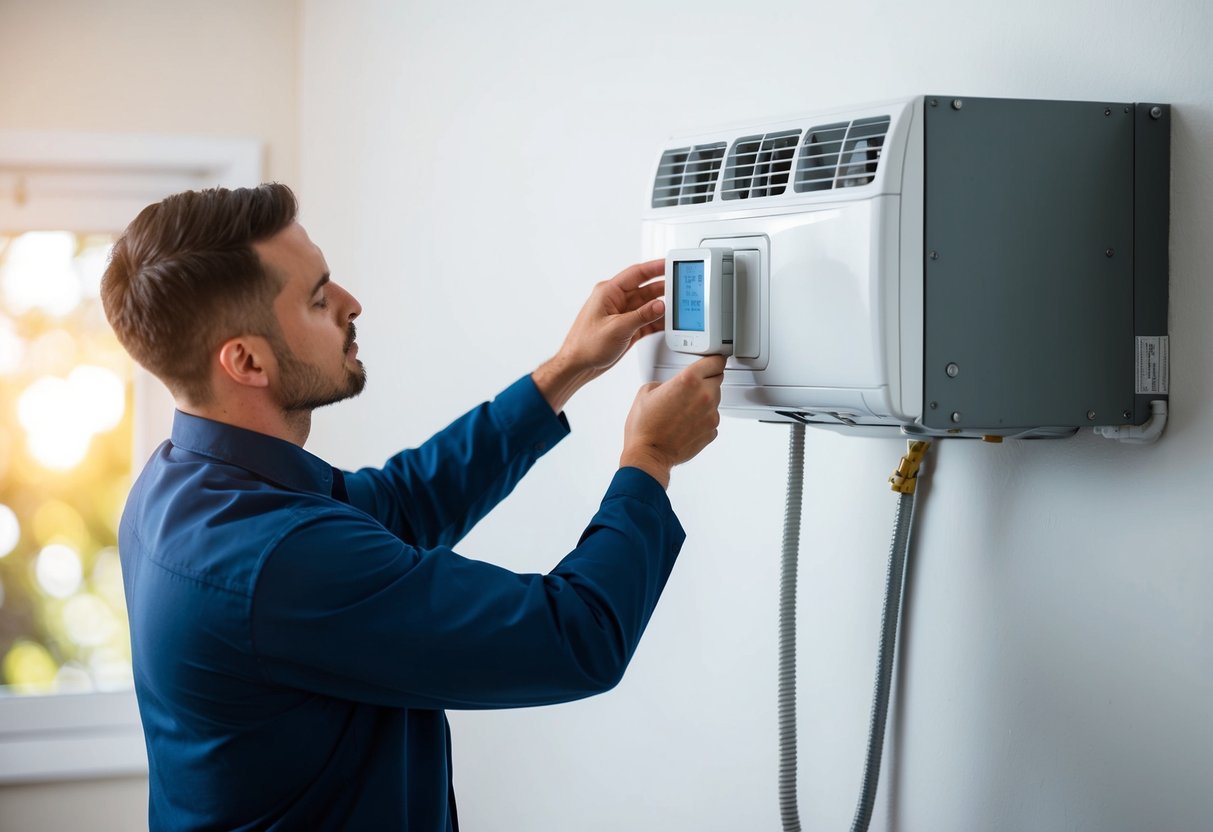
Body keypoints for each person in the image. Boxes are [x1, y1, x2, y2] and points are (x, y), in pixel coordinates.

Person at [100, 182, 724, 831]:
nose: (351, 304)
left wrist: (565, 368)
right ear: (247, 360)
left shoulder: (183, 483)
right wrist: (649, 456)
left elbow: (400, 502)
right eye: (318, 298)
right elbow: (575, 637)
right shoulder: (273, 557)